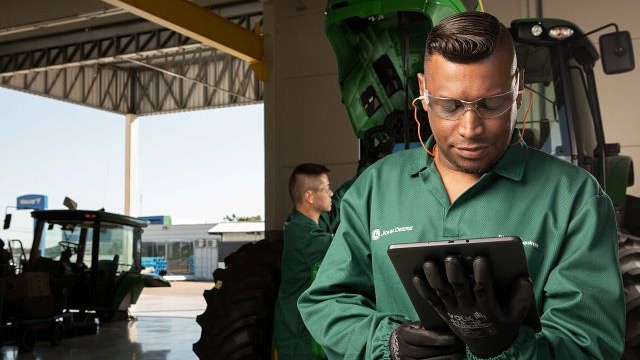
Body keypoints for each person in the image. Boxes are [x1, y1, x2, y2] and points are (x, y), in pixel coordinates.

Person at [298, 11, 625, 360]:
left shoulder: (575, 199)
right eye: (449, 105)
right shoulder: (374, 189)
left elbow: (592, 343)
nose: (470, 128)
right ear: (424, 91)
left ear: (518, 88)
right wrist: (388, 342)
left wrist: (505, 349)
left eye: (491, 103)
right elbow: (326, 302)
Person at [273, 163, 336, 359]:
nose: (331, 193)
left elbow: (341, 200)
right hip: (299, 342)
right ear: (309, 196)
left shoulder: (303, 221)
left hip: (297, 334)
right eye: (326, 188)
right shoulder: (306, 236)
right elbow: (346, 247)